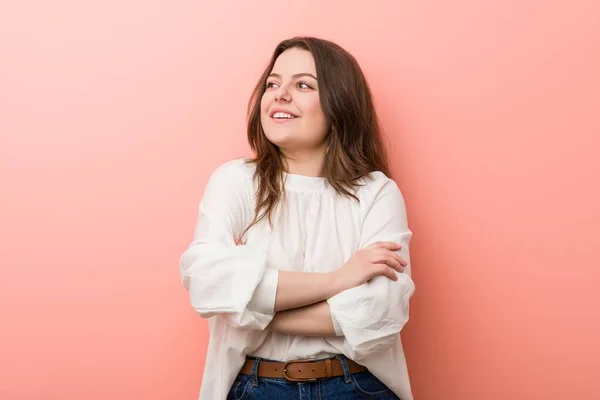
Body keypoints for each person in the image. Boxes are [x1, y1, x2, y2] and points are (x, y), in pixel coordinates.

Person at [179, 36, 415, 400]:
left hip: (356, 386)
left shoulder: (376, 192)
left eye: (302, 84)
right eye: (273, 83)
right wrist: (340, 278)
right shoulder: (235, 181)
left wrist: (247, 306)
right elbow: (207, 282)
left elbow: (378, 312)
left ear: (340, 104)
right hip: (254, 387)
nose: (279, 94)